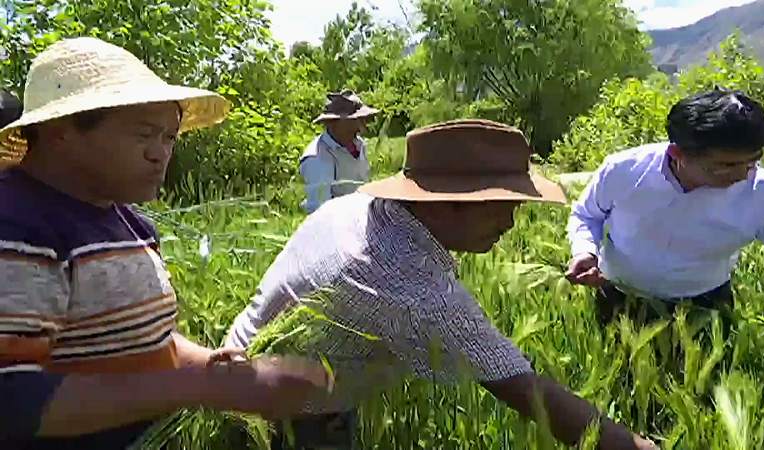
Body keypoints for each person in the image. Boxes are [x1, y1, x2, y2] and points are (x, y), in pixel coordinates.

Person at [226, 119, 657, 450]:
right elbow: (526, 391)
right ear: (446, 205)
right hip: (282, 414)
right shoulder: (409, 288)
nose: (510, 224)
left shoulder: (360, 207)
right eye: (500, 209)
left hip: (249, 374)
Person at [0, 37, 332, 449]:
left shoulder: (129, 223)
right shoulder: (19, 227)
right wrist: (199, 386)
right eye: (144, 135)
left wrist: (217, 367)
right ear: (61, 132)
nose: (161, 155)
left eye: (169, 138)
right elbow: (12, 399)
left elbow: (149, 340)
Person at [565, 89, 764, 329]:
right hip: (619, 300)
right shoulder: (624, 170)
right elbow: (587, 215)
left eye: (752, 162)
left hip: (706, 308)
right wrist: (584, 251)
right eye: (725, 165)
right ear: (677, 153)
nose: (742, 174)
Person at [299, 89, 379, 214]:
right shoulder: (317, 158)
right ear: (333, 123)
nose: (360, 128)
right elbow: (320, 212)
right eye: (354, 121)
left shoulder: (358, 145)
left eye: (361, 120)